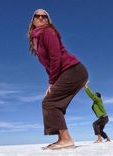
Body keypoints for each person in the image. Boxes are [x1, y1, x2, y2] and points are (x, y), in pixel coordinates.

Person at [27, 9, 88, 150]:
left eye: (44, 16)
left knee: (49, 102)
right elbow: (48, 65)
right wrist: (51, 81)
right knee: (54, 102)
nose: (41, 18)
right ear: (33, 21)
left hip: (73, 70)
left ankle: (66, 139)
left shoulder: (47, 32)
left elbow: (56, 58)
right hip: (70, 72)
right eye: (37, 16)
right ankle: (62, 139)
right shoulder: (37, 39)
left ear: (48, 20)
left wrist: (52, 81)